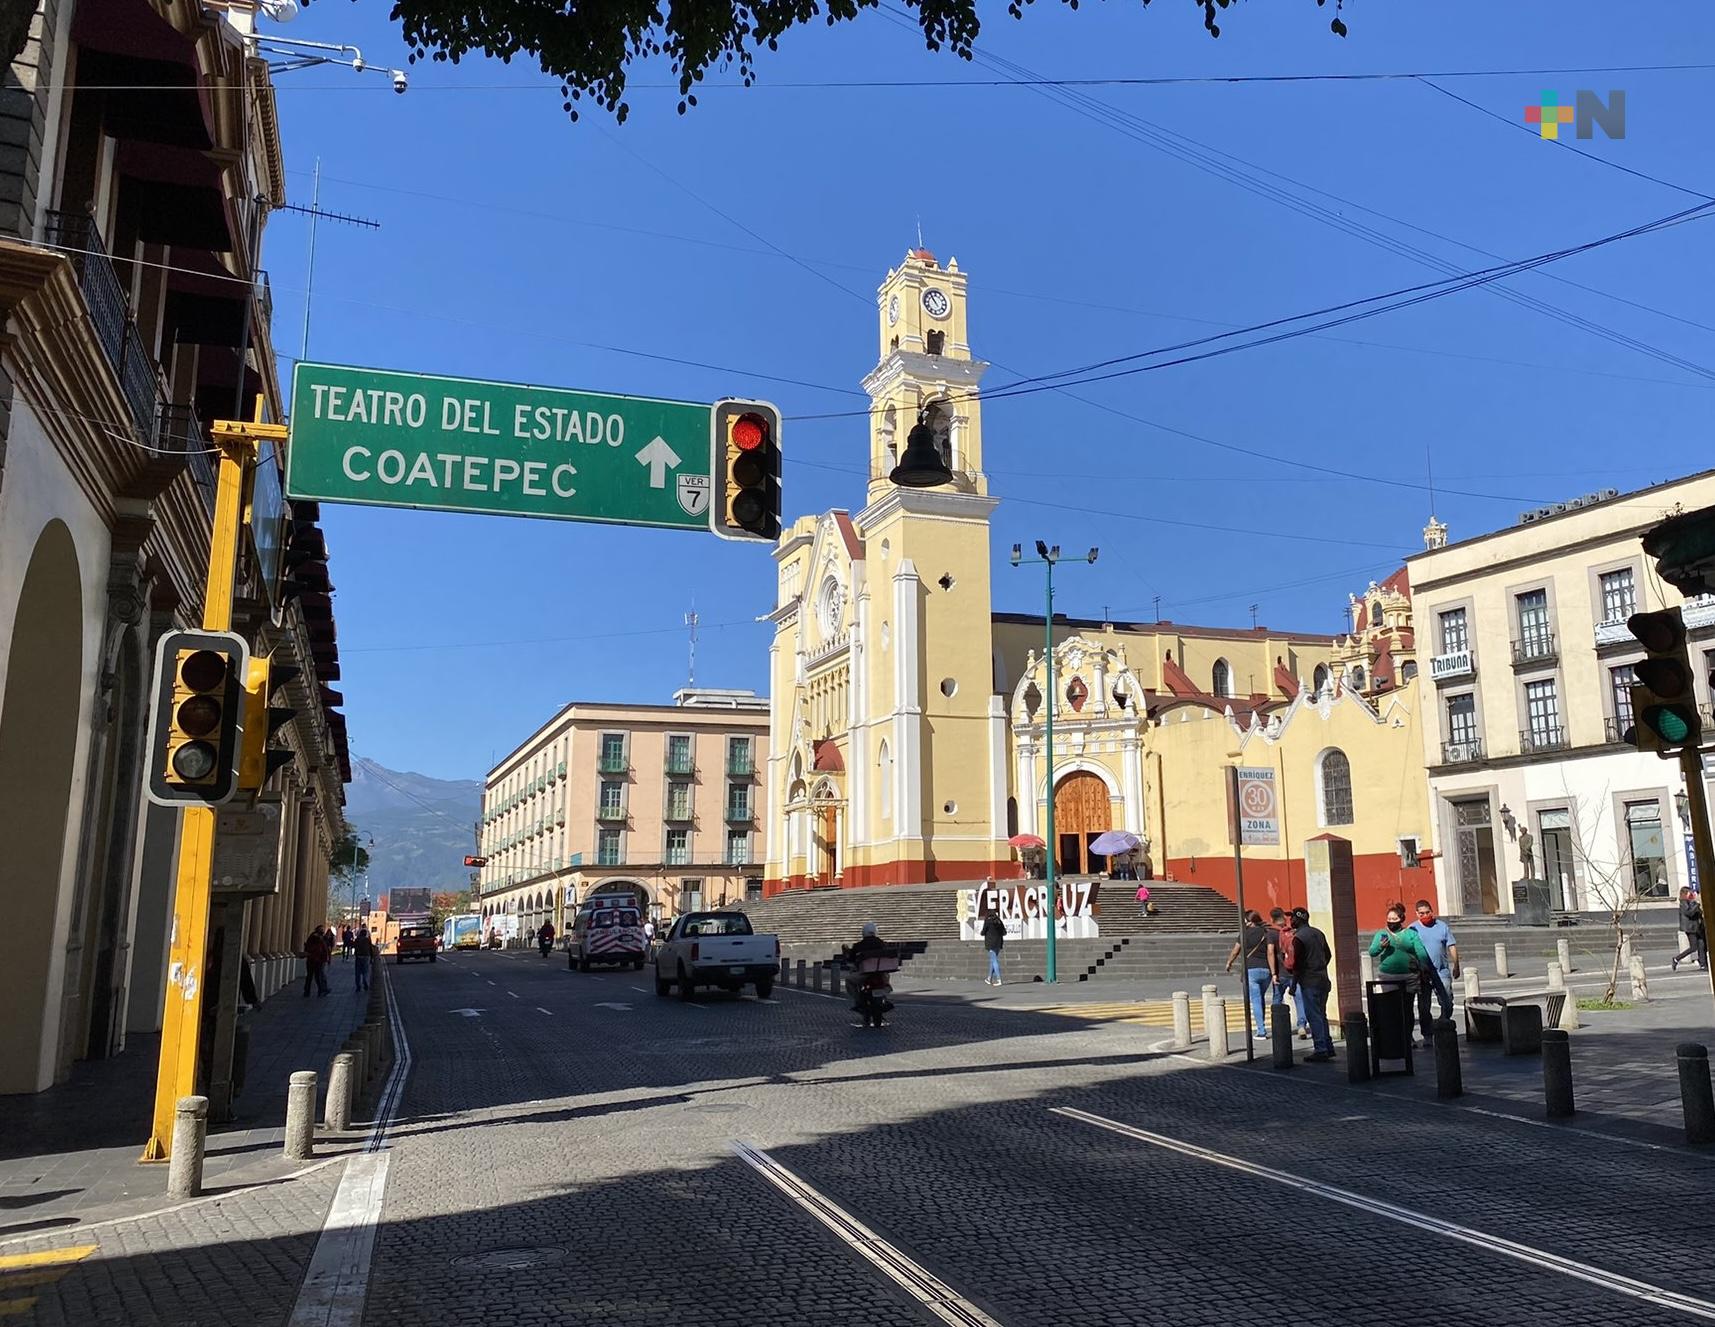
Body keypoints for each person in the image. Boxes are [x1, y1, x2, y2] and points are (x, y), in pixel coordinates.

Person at [1369, 902, 1432, 1044]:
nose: (1391, 922)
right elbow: (1372, 952)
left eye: (1394, 919)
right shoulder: (1381, 934)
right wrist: (1381, 946)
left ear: (1401, 919)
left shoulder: (1411, 934)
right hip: (1387, 976)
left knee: (1407, 1008)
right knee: (1390, 1009)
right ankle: (1394, 1037)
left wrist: (1424, 967)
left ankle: (1408, 1036)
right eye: (1389, 920)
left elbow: (1420, 951)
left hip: (1409, 975)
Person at [1289, 908, 1336, 1061]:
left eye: (1292, 918)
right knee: (1322, 1014)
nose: (1290, 921)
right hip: (1323, 978)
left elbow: (1297, 963)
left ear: (1298, 919)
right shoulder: (1318, 933)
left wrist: (1294, 984)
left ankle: (1321, 1049)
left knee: (1313, 1015)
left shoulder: (1299, 938)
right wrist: (1320, 966)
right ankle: (1328, 1046)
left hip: (1309, 981)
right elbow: (1328, 954)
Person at [1410, 898, 1459, 1038]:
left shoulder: (1442, 926)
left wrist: (1456, 965)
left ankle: (1443, 1025)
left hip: (1442, 971)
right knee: (1424, 1006)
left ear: (1432, 911)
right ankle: (1427, 1034)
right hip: (1423, 974)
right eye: (1421, 913)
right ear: (1417, 914)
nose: (1425, 915)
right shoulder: (1412, 929)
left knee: (1447, 1001)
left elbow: (1451, 946)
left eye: (1427, 912)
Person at [1223, 910, 1275, 1040]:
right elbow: (1270, 951)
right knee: (1260, 998)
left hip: (1251, 969)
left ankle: (1261, 1031)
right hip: (1266, 970)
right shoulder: (1266, 932)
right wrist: (1273, 972)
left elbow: (1235, 951)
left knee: (1256, 1000)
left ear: (1250, 921)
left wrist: (1229, 962)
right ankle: (1262, 1025)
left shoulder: (1244, 934)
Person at [1269, 906, 1309, 1038]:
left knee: (1277, 999)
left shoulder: (1272, 933)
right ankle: (1302, 1026)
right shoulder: (1295, 932)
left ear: (1272, 919)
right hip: (1295, 973)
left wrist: (1274, 973)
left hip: (1280, 973)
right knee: (1299, 999)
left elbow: (1270, 953)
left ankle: (1278, 1026)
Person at [1674, 886, 1707, 971]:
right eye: (1689, 893)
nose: (1691, 894)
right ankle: (1676, 959)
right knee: (1694, 947)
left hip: (1696, 927)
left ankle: (1703, 964)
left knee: (1701, 944)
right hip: (1690, 928)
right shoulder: (1683, 902)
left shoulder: (1690, 902)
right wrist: (1697, 904)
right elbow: (1689, 913)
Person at [980, 907, 1006, 986]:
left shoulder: (988, 921)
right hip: (998, 943)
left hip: (991, 943)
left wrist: (982, 933)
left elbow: (983, 932)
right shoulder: (999, 921)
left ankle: (999, 979)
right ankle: (989, 978)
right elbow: (1004, 932)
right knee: (992, 960)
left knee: (994, 960)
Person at [303, 926, 331, 997]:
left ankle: (307, 991)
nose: (323, 931)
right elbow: (322, 950)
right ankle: (320, 990)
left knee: (311, 976)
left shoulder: (314, 938)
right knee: (317, 976)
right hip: (317, 960)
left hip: (313, 959)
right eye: (322, 930)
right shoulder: (318, 938)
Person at [354, 927, 374, 991]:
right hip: (366, 956)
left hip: (359, 956)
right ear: (365, 934)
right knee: (365, 971)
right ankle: (365, 983)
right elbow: (371, 949)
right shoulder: (367, 940)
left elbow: (354, 946)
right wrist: (372, 957)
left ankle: (358, 986)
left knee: (358, 972)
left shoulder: (357, 939)